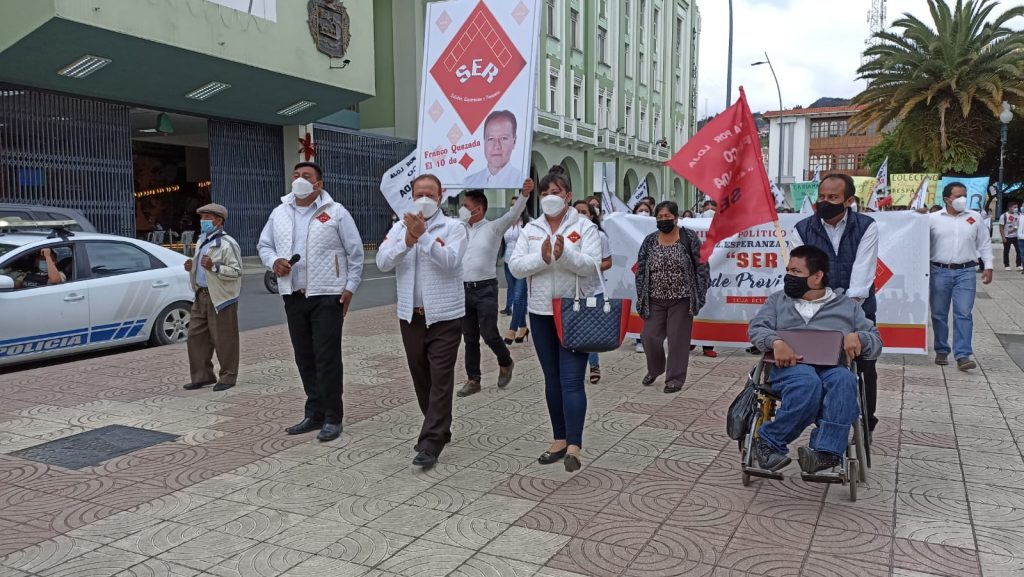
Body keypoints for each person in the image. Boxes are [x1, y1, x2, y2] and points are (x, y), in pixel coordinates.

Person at [747, 245, 882, 473]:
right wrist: (775, 342)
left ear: (817, 276)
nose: (789, 276)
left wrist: (858, 337)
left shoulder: (847, 306)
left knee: (845, 381)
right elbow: (757, 328)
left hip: (831, 367)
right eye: (788, 270)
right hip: (790, 367)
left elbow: (876, 341)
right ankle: (769, 442)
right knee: (807, 382)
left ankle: (825, 452)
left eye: (796, 272)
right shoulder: (778, 301)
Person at [257, 162, 364, 442]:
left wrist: (349, 287)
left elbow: (355, 253)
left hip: (327, 295)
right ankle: (314, 413)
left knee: (327, 357)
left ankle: (333, 417)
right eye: (295, 176)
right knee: (304, 356)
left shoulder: (336, 212)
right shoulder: (279, 212)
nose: (299, 181)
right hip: (294, 295)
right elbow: (264, 245)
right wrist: (273, 262)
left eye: (306, 177)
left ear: (318, 184)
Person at [509, 166, 601, 472]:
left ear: (568, 196)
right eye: (546, 193)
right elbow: (516, 267)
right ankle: (559, 438)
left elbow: (591, 265)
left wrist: (565, 255)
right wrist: (543, 257)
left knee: (572, 380)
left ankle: (575, 445)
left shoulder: (585, 227)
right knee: (551, 379)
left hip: (575, 311)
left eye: (557, 192)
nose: (550, 197)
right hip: (541, 313)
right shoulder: (531, 229)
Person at [377, 174, 468, 468]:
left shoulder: (455, 228)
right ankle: (439, 426)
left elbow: (452, 262)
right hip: (411, 316)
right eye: (419, 193)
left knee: (441, 378)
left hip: (444, 317)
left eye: (430, 193)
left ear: (441, 195)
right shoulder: (399, 228)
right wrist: (407, 239)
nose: (424, 199)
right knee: (422, 378)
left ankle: (430, 443)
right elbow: (382, 261)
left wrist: (424, 237)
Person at [791, 173, 881, 432]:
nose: (825, 201)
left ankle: (866, 423)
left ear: (849, 200)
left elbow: (861, 281)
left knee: (864, 366)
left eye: (833, 197)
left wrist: (847, 325)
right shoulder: (802, 229)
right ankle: (824, 421)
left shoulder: (866, 226)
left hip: (858, 312)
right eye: (821, 196)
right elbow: (801, 275)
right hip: (814, 312)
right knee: (818, 368)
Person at [456, 181, 533, 397]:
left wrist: (524, 195)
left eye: (465, 204)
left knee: (488, 332)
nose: (461, 208)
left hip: (485, 289)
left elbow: (513, 213)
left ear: (478, 208)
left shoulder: (494, 227)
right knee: (469, 336)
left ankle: (505, 360)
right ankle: (473, 379)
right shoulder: (460, 229)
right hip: (464, 289)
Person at [635, 201, 709, 393]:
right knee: (649, 337)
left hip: (682, 299)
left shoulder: (689, 238)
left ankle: (675, 379)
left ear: (676, 218)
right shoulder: (650, 240)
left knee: (678, 340)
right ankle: (656, 368)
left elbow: (702, 267)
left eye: (667, 217)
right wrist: (641, 295)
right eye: (659, 217)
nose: (663, 220)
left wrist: (699, 294)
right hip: (654, 299)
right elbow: (641, 269)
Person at [928, 182, 993, 370]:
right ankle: (941, 349)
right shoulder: (932, 219)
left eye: (964, 195)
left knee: (963, 313)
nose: (962, 199)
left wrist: (988, 266)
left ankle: (963, 354)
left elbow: (984, 243)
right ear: (947, 198)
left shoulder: (974, 218)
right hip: (939, 271)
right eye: (958, 196)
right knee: (939, 313)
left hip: (966, 272)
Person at [183, 203, 242, 392]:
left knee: (224, 338)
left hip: (221, 297)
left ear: (219, 221)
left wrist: (215, 267)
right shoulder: (202, 241)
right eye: (202, 217)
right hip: (201, 294)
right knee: (195, 336)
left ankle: (228, 376)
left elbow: (237, 271)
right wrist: (191, 267)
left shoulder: (228, 243)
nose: (203, 221)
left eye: (207, 217)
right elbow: (200, 265)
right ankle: (202, 376)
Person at [573, 201, 613, 385]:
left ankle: (594, 364)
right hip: (571, 290)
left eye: (584, 212)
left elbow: (608, 262)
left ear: (591, 215)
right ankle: (575, 367)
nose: (580, 214)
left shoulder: (600, 236)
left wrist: (590, 268)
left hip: (594, 290)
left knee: (589, 330)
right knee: (573, 329)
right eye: (576, 211)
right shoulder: (568, 235)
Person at [463, 110, 524, 188]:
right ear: (484, 141)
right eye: (491, 139)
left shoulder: (522, 181)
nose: (496, 146)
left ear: (514, 141)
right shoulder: (469, 182)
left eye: (503, 138)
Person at [502, 209, 530, 343]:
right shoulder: (507, 223)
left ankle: (512, 329)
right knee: (514, 294)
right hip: (508, 262)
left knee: (519, 297)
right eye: (512, 206)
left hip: (522, 264)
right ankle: (523, 327)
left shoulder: (528, 223)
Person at [999, 200, 1021, 270]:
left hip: (1016, 236)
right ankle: (1007, 265)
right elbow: (1001, 227)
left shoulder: (1018, 214)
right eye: (1014, 207)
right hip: (1007, 237)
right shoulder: (1004, 216)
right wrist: (1003, 237)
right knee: (1006, 251)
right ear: (1009, 207)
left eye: (1017, 207)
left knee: (1019, 250)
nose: (1016, 209)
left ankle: (1018, 264)